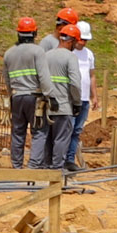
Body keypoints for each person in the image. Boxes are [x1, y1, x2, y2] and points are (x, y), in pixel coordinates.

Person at [47, 18, 96, 173]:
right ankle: (57, 166)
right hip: (66, 101)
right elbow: (74, 82)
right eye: (79, 40)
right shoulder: (69, 55)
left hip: (67, 101)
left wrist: (94, 96)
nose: (81, 43)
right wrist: (75, 101)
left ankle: (61, 162)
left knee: (68, 132)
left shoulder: (88, 55)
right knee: (62, 135)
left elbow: (91, 75)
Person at [2, 17, 45, 167]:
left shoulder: (9, 53)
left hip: (17, 96)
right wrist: (49, 95)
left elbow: (7, 79)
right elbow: (43, 76)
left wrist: (11, 95)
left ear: (18, 33)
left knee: (17, 132)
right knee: (39, 131)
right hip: (34, 97)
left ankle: (17, 166)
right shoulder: (38, 51)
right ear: (35, 33)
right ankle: (33, 166)